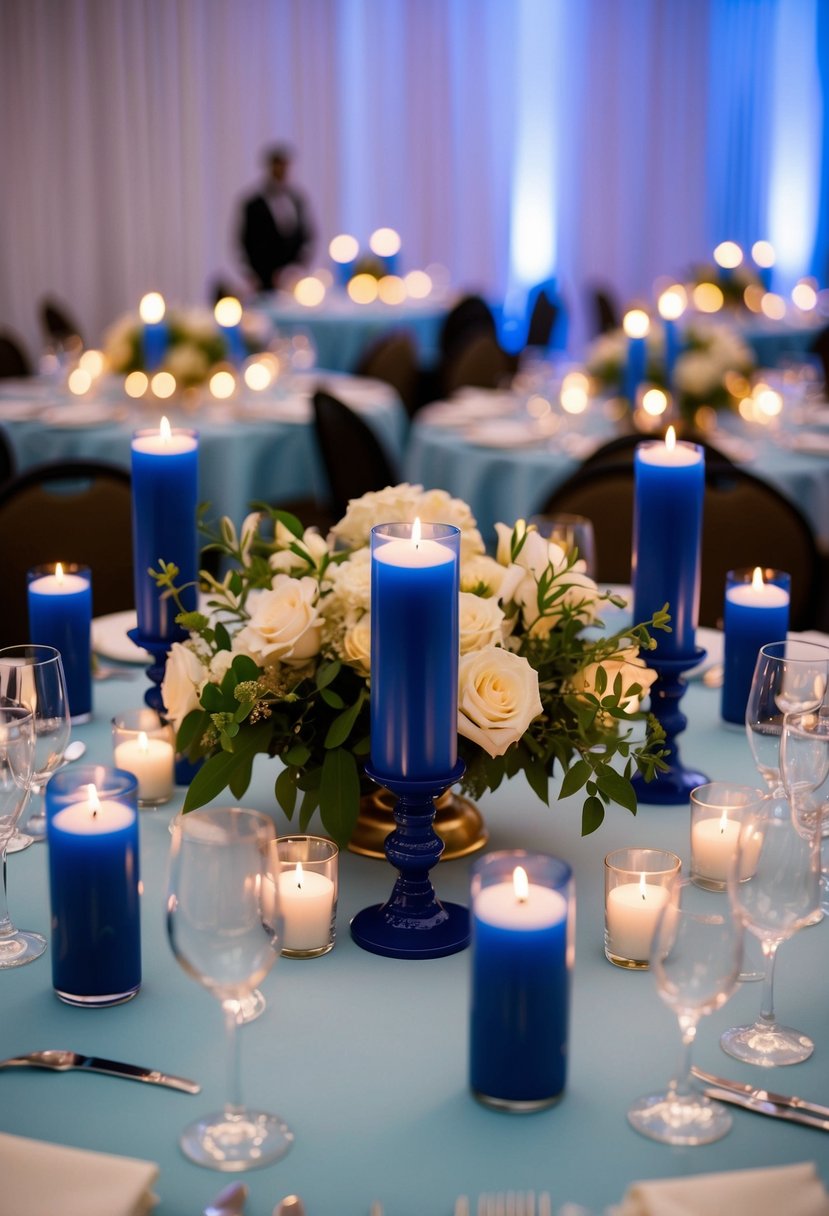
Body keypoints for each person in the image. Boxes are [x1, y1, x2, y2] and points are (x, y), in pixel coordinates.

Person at [239, 144, 314, 291]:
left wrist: (297, 267)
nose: (282, 170)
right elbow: (246, 241)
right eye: (278, 165)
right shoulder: (254, 204)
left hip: (293, 278)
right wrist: (260, 274)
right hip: (264, 279)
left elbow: (306, 235)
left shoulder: (296, 199)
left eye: (285, 166)